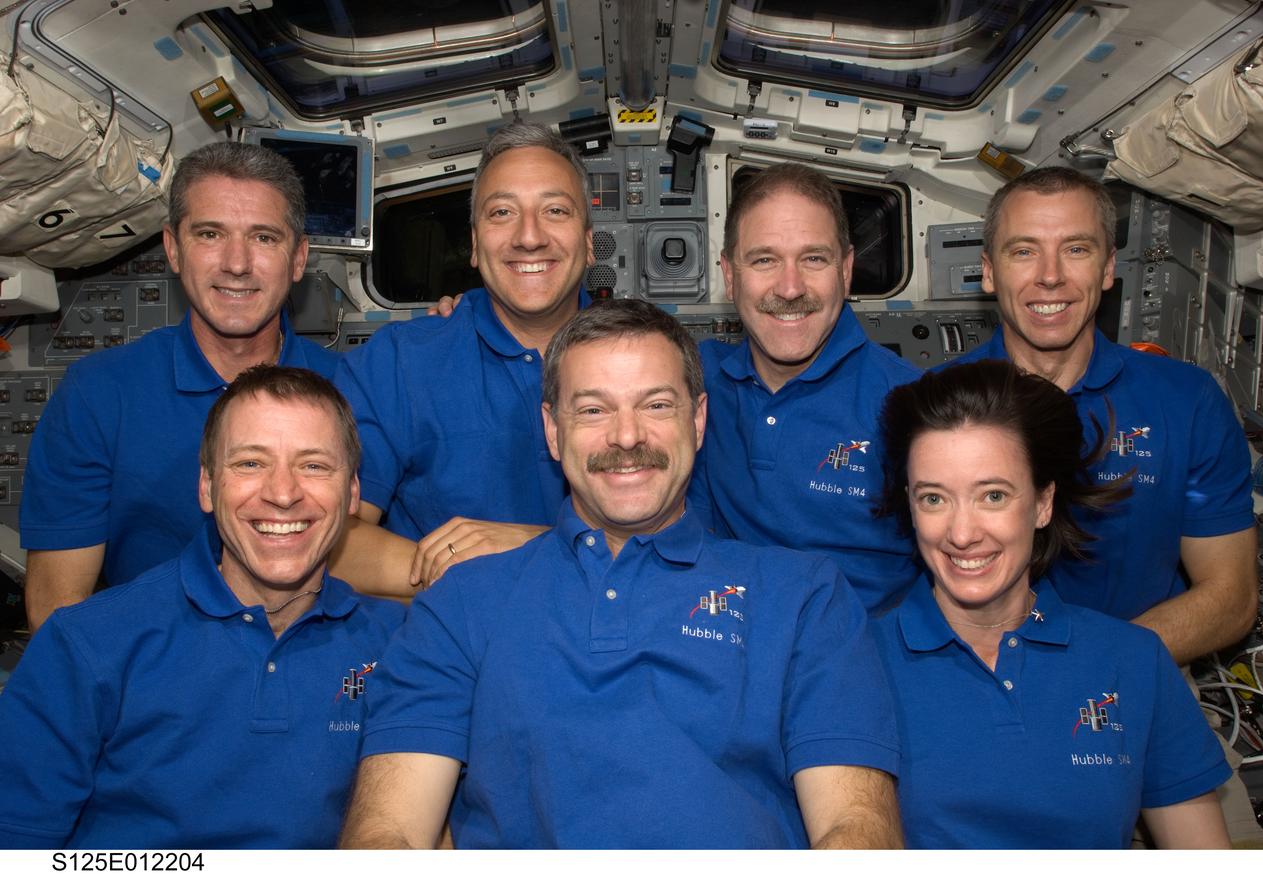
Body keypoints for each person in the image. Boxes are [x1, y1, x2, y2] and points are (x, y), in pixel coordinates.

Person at [339, 300, 903, 849]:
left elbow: (857, 832)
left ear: (699, 419)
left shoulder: (805, 598)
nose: (627, 437)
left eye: (656, 405)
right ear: (553, 430)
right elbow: (389, 833)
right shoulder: (460, 603)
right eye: (592, 409)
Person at [0, 366, 404, 848]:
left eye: (314, 465)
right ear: (207, 488)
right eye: (250, 463)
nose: (282, 493)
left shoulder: (401, 646)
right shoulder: (88, 645)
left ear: (354, 492)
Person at [872, 360, 1232, 849]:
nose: (961, 533)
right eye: (934, 499)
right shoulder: (856, 664)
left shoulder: (1134, 661)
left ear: (1043, 503)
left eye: (993, 495)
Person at [20, 142, 339, 631]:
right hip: (149, 678)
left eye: (264, 238)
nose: (237, 263)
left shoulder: (352, 389)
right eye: (210, 234)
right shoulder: (99, 393)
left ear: (298, 258)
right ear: (173, 248)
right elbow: (57, 611)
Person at [947, 166, 1256, 664]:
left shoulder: (1186, 401)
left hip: (1137, 667)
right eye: (1024, 251)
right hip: (974, 672)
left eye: (1076, 249)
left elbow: (1231, 597)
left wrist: (1094, 667)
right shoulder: (936, 404)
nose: (1050, 275)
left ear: (1109, 268)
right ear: (989, 271)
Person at [329, 121, 595, 595]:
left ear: (590, 242)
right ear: (474, 244)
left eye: (555, 210)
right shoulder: (396, 363)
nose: (529, 236)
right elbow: (333, 543)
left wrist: (530, 550)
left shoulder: (649, 365)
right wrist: (473, 573)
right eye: (501, 213)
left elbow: (685, 544)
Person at [691, 163, 920, 614]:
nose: (791, 288)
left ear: (847, 269)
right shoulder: (696, 378)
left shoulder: (914, 405)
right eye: (764, 260)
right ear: (730, 274)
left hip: (864, 658)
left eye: (814, 258)